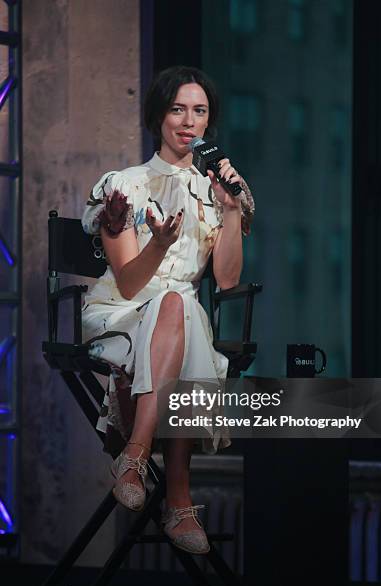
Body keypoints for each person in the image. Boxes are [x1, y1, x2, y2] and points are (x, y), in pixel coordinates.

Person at [81, 65, 254, 554]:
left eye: (199, 112)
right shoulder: (125, 186)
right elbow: (132, 283)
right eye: (178, 109)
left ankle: (135, 455)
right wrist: (157, 247)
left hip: (181, 318)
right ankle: (178, 494)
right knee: (175, 303)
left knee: (183, 305)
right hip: (122, 309)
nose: (188, 121)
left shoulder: (215, 192)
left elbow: (225, 280)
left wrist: (233, 208)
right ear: (158, 116)